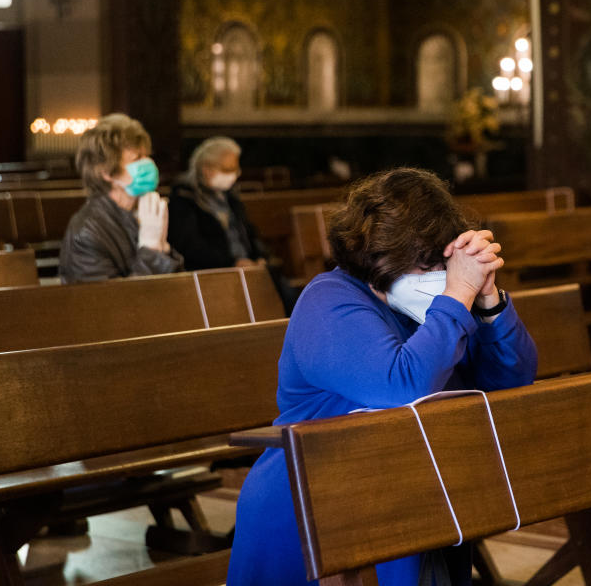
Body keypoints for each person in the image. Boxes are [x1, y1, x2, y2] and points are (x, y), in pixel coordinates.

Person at [227, 168, 538, 586]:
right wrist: (458, 294)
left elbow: (513, 377)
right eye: (423, 264)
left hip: (410, 492)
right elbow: (401, 387)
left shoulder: (437, 305)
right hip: (320, 503)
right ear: (377, 257)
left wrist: (486, 301)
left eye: (441, 262)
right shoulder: (327, 300)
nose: (436, 276)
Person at [60, 113, 183, 283]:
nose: (148, 163)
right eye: (137, 158)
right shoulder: (87, 232)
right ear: (107, 172)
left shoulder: (141, 211)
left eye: (146, 155)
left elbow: (178, 288)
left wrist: (164, 248)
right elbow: (116, 303)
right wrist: (152, 249)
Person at [168, 136, 267, 270]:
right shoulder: (184, 199)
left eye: (236, 168)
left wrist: (259, 257)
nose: (236, 174)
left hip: (247, 269)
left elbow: (248, 233)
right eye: (228, 169)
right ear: (207, 170)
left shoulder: (230, 197)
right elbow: (191, 247)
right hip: (214, 273)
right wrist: (232, 263)